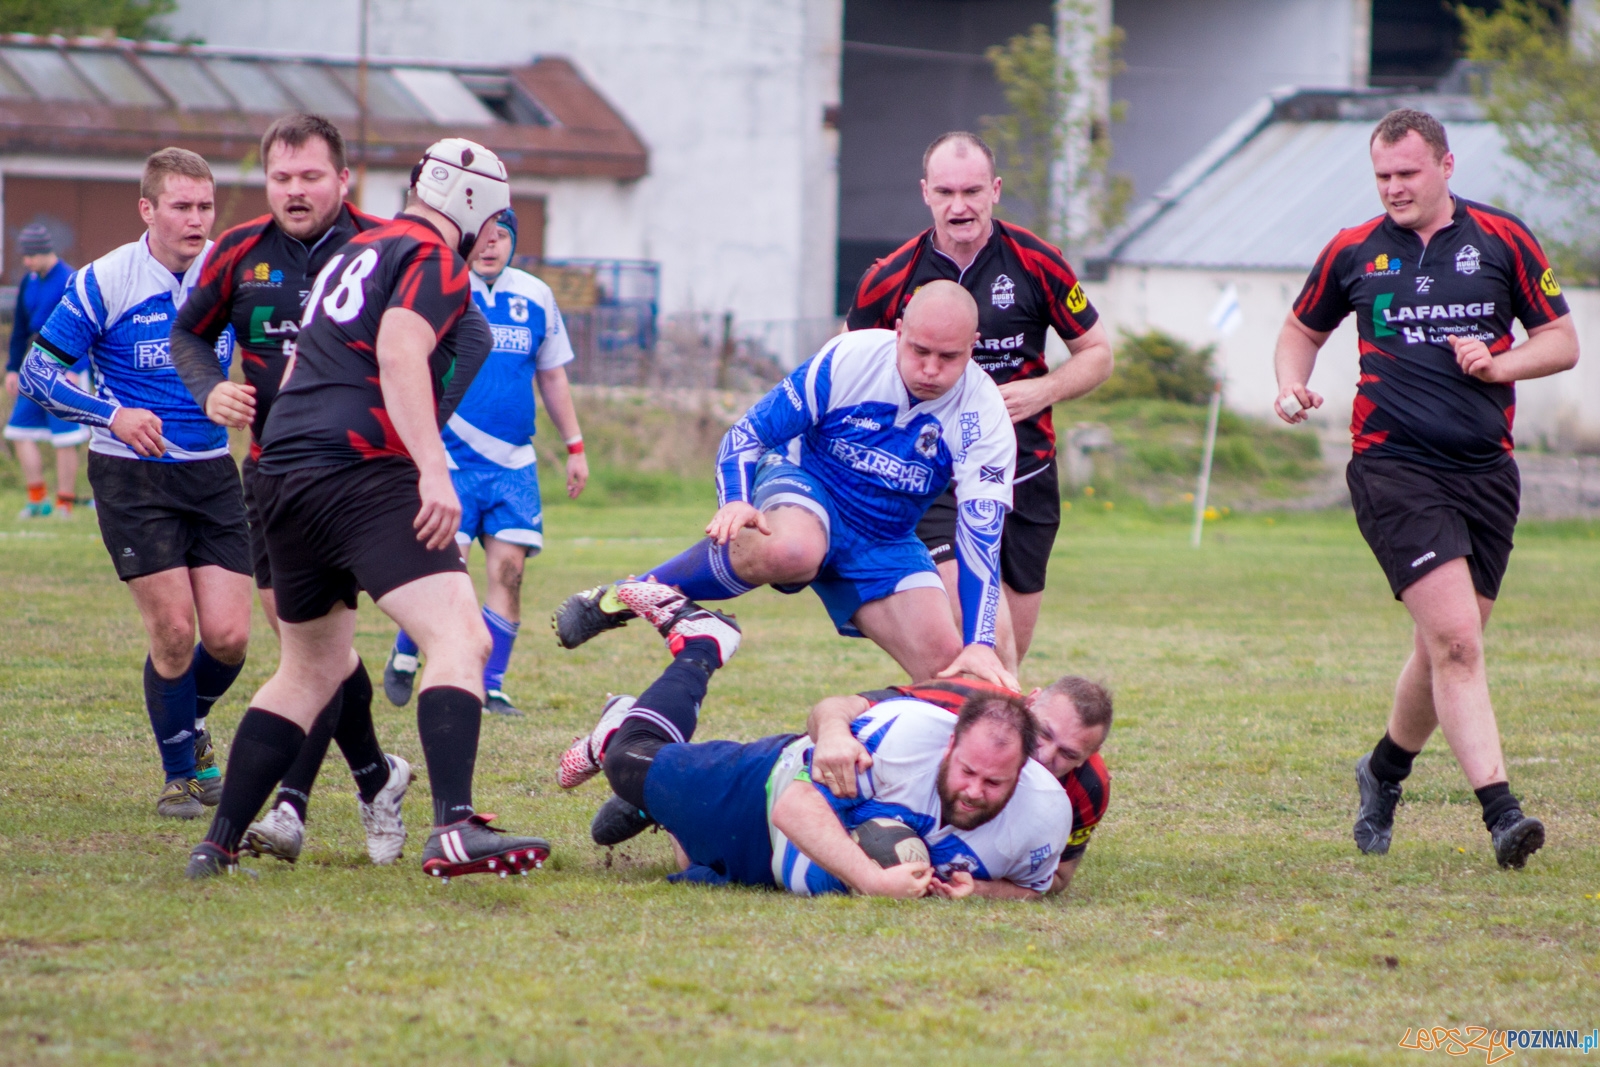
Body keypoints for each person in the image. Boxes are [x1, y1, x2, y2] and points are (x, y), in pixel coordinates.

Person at [185, 138, 549, 881]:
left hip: (280, 470)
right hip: (358, 469)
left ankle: (215, 844)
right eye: (494, 216)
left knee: (308, 668)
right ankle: (453, 826)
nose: (493, 231)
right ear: (472, 205)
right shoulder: (432, 255)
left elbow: (310, 360)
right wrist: (432, 468)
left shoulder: (357, 250)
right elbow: (399, 352)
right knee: (461, 638)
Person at [1273, 108, 1579, 870]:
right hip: (1393, 466)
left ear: (1446, 165)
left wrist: (1500, 364)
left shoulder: (1502, 240)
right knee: (1458, 643)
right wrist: (1290, 384)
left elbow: (1561, 341)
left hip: (1486, 473)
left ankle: (1382, 769)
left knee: (1442, 646)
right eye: (1382, 176)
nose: (1393, 188)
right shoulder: (1353, 250)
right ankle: (1503, 814)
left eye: (1407, 172)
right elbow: (1301, 331)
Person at [554, 279, 1019, 690]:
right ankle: (626, 595)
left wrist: (980, 644)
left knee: (955, 678)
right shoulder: (850, 358)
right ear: (899, 331)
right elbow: (747, 434)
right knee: (793, 549)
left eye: (949, 357)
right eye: (919, 351)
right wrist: (735, 500)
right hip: (806, 484)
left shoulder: (985, 417)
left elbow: (981, 539)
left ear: (973, 347)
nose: (931, 369)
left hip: (885, 539)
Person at [171, 113, 409, 865]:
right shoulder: (239, 252)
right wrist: (210, 389)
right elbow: (188, 334)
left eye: (310, 176)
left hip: (364, 476)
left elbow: (457, 338)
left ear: (344, 178)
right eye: (281, 177)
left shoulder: (389, 248)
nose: (295, 190)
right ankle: (376, 777)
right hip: (273, 475)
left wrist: (416, 420)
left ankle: (298, 804)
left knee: (315, 652)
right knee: (308, 647)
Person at [559, 580, 1068, 898]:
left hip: (776, 871)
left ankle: (661, 808)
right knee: (629, 761)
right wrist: (874, 882)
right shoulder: (909, 733)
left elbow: (1032, 889)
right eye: (968, 772)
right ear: (950, 747)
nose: (975, 790)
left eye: (993, 782)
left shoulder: (1047, 809)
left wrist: (981, 891)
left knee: (693, 860)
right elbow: (795, 804)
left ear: (1024, 770)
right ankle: (699, 645)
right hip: (762, 794)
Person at [19, 149, 250, 818]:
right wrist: (112, 414)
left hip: (212, 470)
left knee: (230, 638)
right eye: (181, 206)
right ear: (147, 209)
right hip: (130, 474)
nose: (196, 219)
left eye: (205, 206)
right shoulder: (106, 279)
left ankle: (189, 719)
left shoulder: (229, 274)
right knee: (174, 629)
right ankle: (181, 774)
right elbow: (37, 373)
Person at [847, 131, 1114, 672]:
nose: (959, 206)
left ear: (994, 190)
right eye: (945, 192)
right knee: (981, 634)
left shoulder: (1037, 263)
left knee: (1009, 656)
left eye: (971, 191)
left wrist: (1045, 390)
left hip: (1024, 470)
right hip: (935, 476)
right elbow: (847, 365)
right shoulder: (891, 277)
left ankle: (980, 721)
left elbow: (1098, 353)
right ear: (926, 192)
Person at [384, 206, 589, 717]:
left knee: (510, 571)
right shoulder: (441, 288)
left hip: (513, 465)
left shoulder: (536, 295)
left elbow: (553, 376)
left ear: (514, 242)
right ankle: (407, 648)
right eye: (485, 235)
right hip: (450, 459)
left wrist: (575, 446)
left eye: (503, 235)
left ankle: (491, 685)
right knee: (445, 571)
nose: (492, 244)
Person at [811, 675, 1111, 895]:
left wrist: (978, 887)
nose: (1044, 756)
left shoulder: (1089, 790)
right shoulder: (959, 703)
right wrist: (833, 734)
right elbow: (840, 706)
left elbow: (1055, 880)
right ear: (1030, 702)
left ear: (1089, 755)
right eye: (1044, 733)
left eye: (1068, 754)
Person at [4, 223, 87, 518]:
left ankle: (65, 502)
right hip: (34, 367)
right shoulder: (29, 281)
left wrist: (76, 368)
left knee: (65, 437)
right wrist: (12, 368)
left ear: (44, 252)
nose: (26, 261)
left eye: (30, 256)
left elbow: (85, 327)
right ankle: (37, 499)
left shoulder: (70, 279)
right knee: (18, 430)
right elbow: (20, 329)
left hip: (66, 367)